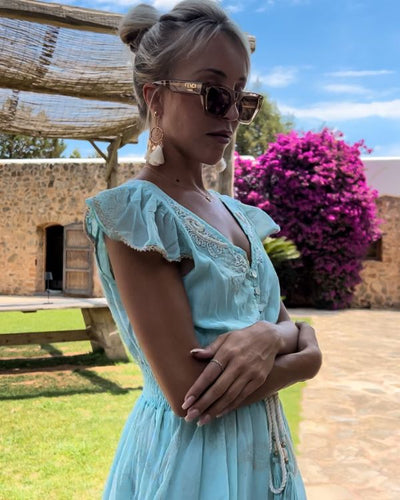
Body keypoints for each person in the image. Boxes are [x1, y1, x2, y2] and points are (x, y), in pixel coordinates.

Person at [84, 1, 322, 498]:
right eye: (214, 94)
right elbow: (190, 393)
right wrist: (303, 356)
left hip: (267, 458)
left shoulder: (238, 214)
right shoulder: (137, 215)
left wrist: (269, 336)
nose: (232, 114)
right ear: (155, 97)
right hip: (192, 466)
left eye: (241, 98)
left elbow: (284, 324)